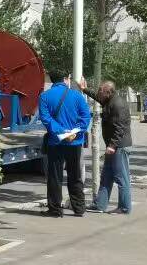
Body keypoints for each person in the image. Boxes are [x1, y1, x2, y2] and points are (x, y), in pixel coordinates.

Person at [37, 68, 91, 217]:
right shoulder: (77, 95)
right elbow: (85, 117)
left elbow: (46, 119)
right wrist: (74, 132)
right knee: (75, 175)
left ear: (51, 80)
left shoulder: (44, 97)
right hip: (74, 142)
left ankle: (55, 210)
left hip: (56, 142)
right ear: (66, 79)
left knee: (55, 176)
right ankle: (79, 208)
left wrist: (61, 132)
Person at [78, 79, 133, 214]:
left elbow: (120, 128)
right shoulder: (109, 100)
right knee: (106, 176)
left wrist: (112, 145)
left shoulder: (117, 104)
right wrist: (84, 89)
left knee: (122, 178)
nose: (98, 93)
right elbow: (98, 98)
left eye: (100, 91)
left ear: (108, 92)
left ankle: (124, 208)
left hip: (119, 147)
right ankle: (100, 205)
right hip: (113, 147)